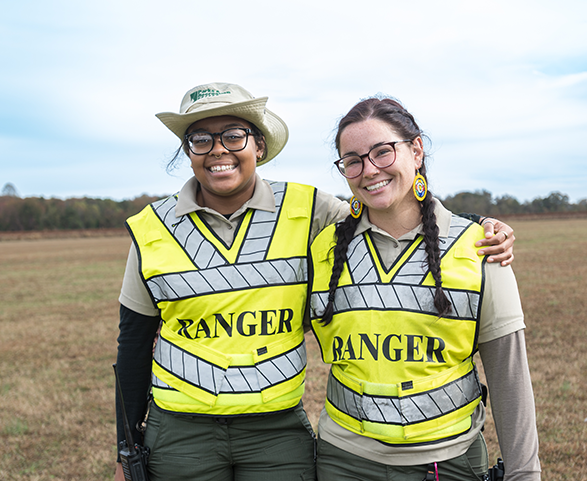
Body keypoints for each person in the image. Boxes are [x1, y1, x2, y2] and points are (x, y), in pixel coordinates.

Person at [114, 82, 517, 481]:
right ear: (188, 152)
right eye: (201, 138)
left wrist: (478, 226)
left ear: (259, 145)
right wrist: (124, 450)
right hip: (181, 431)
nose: (218, 149)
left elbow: (388, 205)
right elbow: (133, 344)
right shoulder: (152, 228)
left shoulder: (308, 208)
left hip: (276, 434)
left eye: (234, 135)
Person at [309, 97, 541, 480]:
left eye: (383, 152)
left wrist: (524, 474)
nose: (369, 170)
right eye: (352, 160)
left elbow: (509, 378)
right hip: (343, 461)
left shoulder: (480, 247)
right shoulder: (323, 250)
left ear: (416, 150)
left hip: (447, 462)